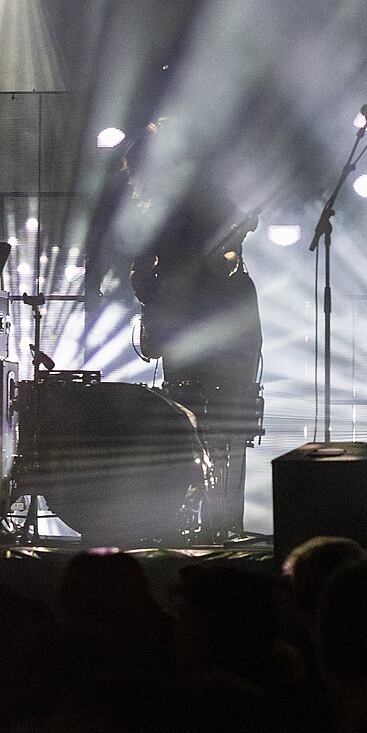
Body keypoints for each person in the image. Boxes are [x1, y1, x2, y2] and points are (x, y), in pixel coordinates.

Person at [130, 181, 263, 536]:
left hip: (203, 377)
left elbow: (143, 281)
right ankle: (221, 527)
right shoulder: (229, 281)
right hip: (213, 379)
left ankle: (199, 525)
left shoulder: (184, 259)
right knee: (219, 447)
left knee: (193, 447)